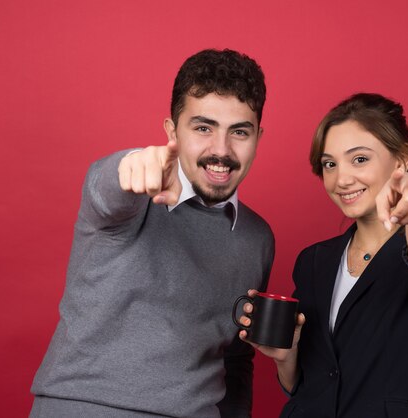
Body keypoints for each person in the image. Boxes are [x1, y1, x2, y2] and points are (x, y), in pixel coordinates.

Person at [30, 49, 274, 418]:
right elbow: (106, 187)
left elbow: (236, 358)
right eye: (203, 128)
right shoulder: (134, 197)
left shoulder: (257, 238)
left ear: (258, 136)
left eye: (239, 132)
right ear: (171, 131)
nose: (221, 151)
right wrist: (131, 164)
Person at [239, 93, 408, 417]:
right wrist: (286, 355)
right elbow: (301, 385)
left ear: (402, 159)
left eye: (360, 159)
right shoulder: (314, 262)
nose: (342, 179)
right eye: (330, 164)